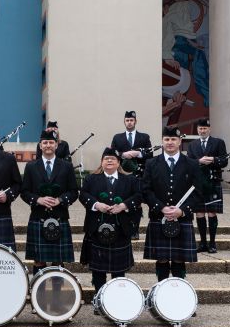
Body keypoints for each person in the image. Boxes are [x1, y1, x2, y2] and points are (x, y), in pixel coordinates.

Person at [142, 127, 201, 281]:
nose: (170, 142)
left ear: (180, 141)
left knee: (179, 258)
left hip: (182, 218)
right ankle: (161, 291)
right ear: (162, 141)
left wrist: (182, 211)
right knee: (161, 258)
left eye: (173, 139)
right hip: (158, 217)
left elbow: (199, 192)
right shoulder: (151, 163)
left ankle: (178, 292)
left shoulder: (192, 164)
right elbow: (146, 190)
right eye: (167, 139)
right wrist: (161, 207)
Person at [79, 148, 141, 293]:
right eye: (106, 158)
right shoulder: (91, 179)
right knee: (98, 270)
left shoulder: (130, 179)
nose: (109, 161)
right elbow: (83, 195)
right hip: (96, 229)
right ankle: (99, 299)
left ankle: (115, 299)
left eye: (113, 159)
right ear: (101, 162)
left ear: (118, 162)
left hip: (121, 230)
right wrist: (96, 205)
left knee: (119, 271)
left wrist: (124, 206)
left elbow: (138, 196)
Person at [21, 129, 79, 274]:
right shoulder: (31, 166)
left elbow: (73, 192)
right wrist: (38, 199)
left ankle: (57, 295)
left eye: (51, 142)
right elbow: (24, 192)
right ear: (40, 146)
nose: (48, 145)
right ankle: (37, 293)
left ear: (56, 145)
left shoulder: (66, 166)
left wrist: (60, 200)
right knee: (38, 260)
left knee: (58, 261)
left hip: (60, 216)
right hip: (38, 217)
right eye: (45, 142)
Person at [184, 118, 229, 253]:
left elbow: (224, 161)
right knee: (199, 213)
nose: (202, 131)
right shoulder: (192, 145)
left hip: (212, 182)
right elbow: (188, 163)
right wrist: (199, 161)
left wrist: (214, 160)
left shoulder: (218, 142)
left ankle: (212, 243)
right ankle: (202, 243)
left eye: (204, 128)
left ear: (209, 129)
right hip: (198, 183)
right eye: (200, 129)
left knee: (211, 212)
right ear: (197, 130)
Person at [110, 110, 153, 239]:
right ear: (124, 122)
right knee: (121, 201)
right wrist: (123, 155)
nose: (129, 122)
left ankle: (134, 230)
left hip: (139, 174)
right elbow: (112, 153)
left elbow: (150, 154)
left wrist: (138, 154)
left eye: (131, 120)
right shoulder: (117, 137)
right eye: (127, 120)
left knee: (137, 202)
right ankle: (123, 228)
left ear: (135, 121)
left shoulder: (144, 137)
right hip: (123, 173)